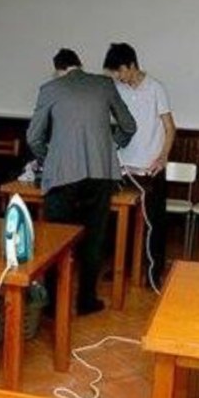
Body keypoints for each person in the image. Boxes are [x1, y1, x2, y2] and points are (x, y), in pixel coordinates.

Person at [26, 48, 136, 315]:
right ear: (80, 65)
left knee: (56, 240)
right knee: (93, 239)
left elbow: (33, 137)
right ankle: (87, 301)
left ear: (59, 70)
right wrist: (111, 146)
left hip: (63, 175)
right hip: (100, 173)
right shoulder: (104, 84)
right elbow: (129, 125)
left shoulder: (50, 88)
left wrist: (49, 158)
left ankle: (52, 306)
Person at [103, 42, 175, 287]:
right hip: (123, 166)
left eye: (120, 71)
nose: (117, 76)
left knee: (154, 223)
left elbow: (170, 128)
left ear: (131, 65)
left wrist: (163, 157)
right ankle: (118, 268)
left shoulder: (156, 88)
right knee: (118, 221)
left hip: (150, 167)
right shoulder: (117, 89)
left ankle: (154, 273)